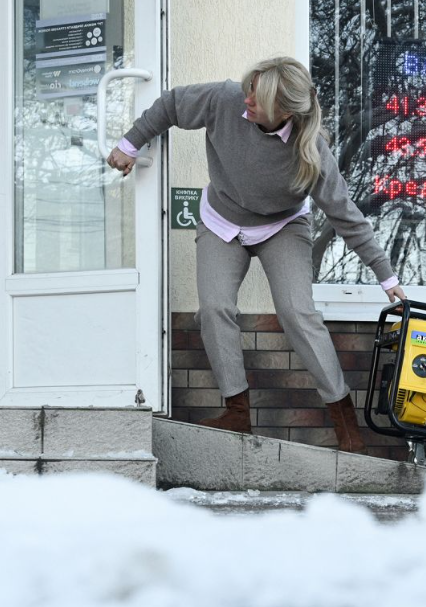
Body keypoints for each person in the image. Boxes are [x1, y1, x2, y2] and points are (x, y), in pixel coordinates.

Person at [106, 56, 406, 454]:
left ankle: (344, 420)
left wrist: (387, 277)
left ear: (285, 110)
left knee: (298, 313)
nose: (248, 99)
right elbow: (173, 104)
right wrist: (129, 143)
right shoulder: (225, 99)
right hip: (221, 220)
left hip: (282, 226)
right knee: (213, 308)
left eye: (258, 97)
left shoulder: (311, 150)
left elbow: (345, 215)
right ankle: (237, 411)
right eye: (249, 88)